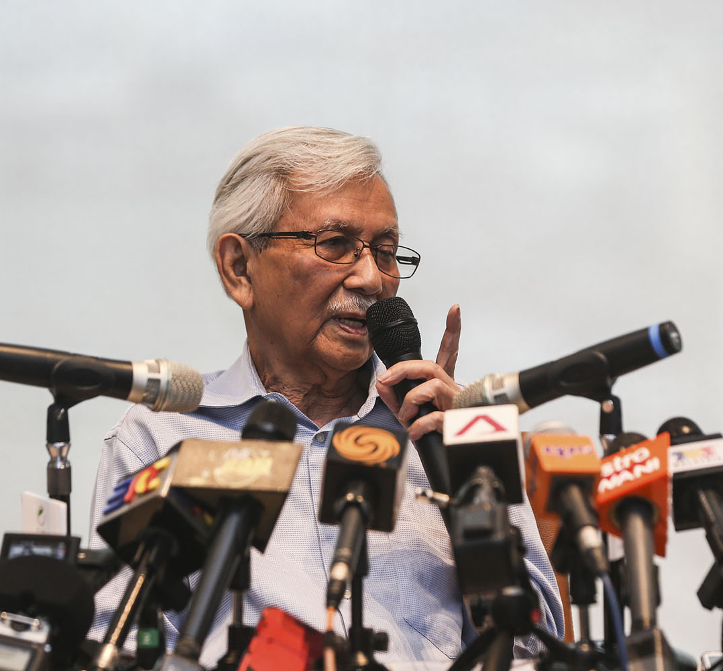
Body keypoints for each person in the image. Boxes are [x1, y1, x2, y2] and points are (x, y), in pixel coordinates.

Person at [87, 126, 565, 668]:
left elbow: (533, 649)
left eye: (385, 252)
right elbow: (119, 648)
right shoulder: (161, 437)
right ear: (239, 268)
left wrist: (466, 478)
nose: (371, 278)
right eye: (335, 245)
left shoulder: (452, 428)